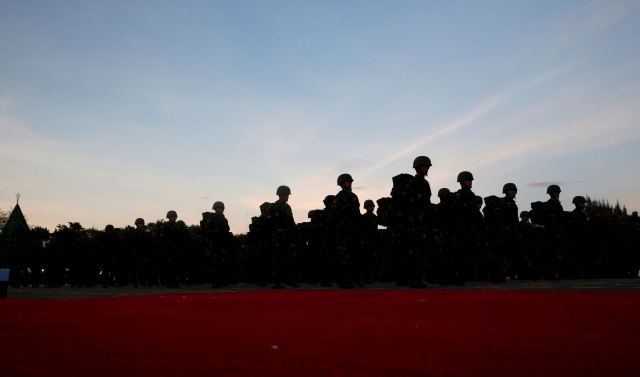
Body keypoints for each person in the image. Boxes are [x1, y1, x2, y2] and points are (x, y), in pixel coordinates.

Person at [390, 156, 434, 288]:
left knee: (417, 250)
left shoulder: (425, 183)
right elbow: (407, 202)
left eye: (427, 166)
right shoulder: (414, 182)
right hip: (413, 221)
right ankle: (414, 279)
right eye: (424, 166)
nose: (426, 168)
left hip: (421, 220)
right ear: (418, 168)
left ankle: (412, 278)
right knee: (415, 250)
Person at [333, 174, 362, 288]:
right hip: (343, 230)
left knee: (355, 255)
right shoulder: (339, 196)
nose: (349, 183)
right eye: (347, 181)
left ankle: (355, 278)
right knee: (345, 256)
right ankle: (344, 280)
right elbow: (335, 215)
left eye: (350, 181)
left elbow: (357, 213)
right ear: (342, 184)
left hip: (353, 229)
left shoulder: (354, 196)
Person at [266, 186, 298, 288]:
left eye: (288, 195)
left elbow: (291, 221)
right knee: (277, 259)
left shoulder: (287, 207)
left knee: (290, 258)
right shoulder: (273, 206)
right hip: (277, 236)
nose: (287, 196)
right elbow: (268, 220)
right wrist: (278, 216)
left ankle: (290, 280)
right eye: (286, 195)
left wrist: (295, 232)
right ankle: (276, 282)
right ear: (281, 195)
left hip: (288, 236)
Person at [201, 201, 231, 288]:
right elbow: (206, 230)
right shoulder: (212, 218)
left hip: (222, 243)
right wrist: (215, 232)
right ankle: (215, 281)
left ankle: (221, 280)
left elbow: (227, 229)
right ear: (215, 209)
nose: (221, 209)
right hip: (214, 242)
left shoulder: (224, 219)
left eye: (222, 208)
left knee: (222, 262)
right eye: (219, 208)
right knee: (215, 262)